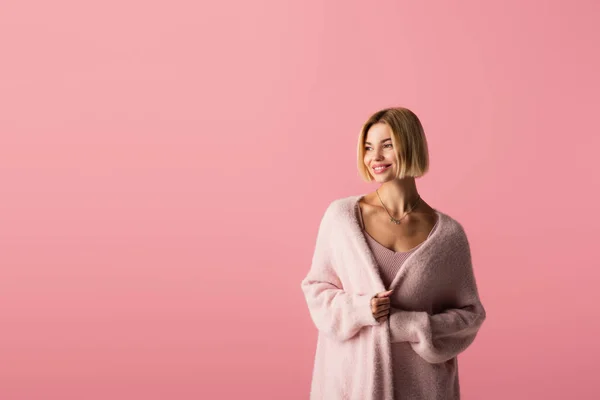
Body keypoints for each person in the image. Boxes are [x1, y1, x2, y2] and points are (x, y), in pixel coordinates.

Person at [300, 107, 486, 400]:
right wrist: (361, 310)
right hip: (351, 385)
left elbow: (470, 316)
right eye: (368, 147)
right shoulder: (342, 218)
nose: (375, 157)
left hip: (422, 388)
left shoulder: (449, 236)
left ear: (410, 144)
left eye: (387, 145)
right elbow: (316, 290)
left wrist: (411, 326)